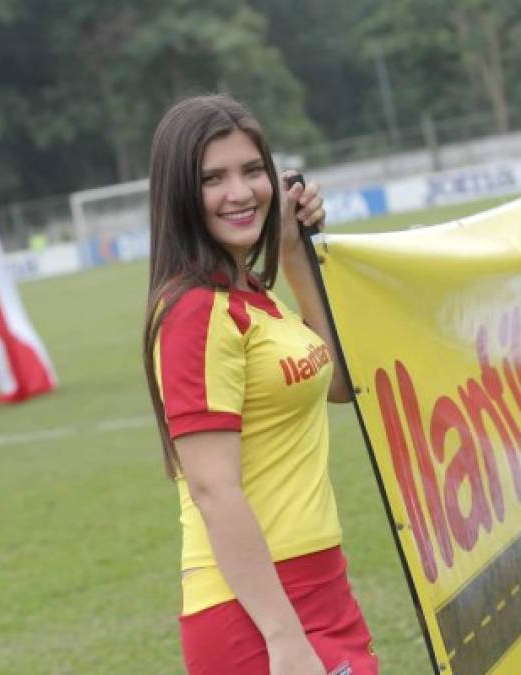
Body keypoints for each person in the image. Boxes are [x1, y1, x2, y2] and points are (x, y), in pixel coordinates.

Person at [141, 94, 377, 675]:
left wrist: (295, 251)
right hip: (254, 610)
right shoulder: (194, 311)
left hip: (318, 580)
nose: (240, 192)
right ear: (180, 195)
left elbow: (340, 381)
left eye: (252, 170)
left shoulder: (250, 293)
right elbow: (212, 489)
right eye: (212, 178)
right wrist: (284, 638)